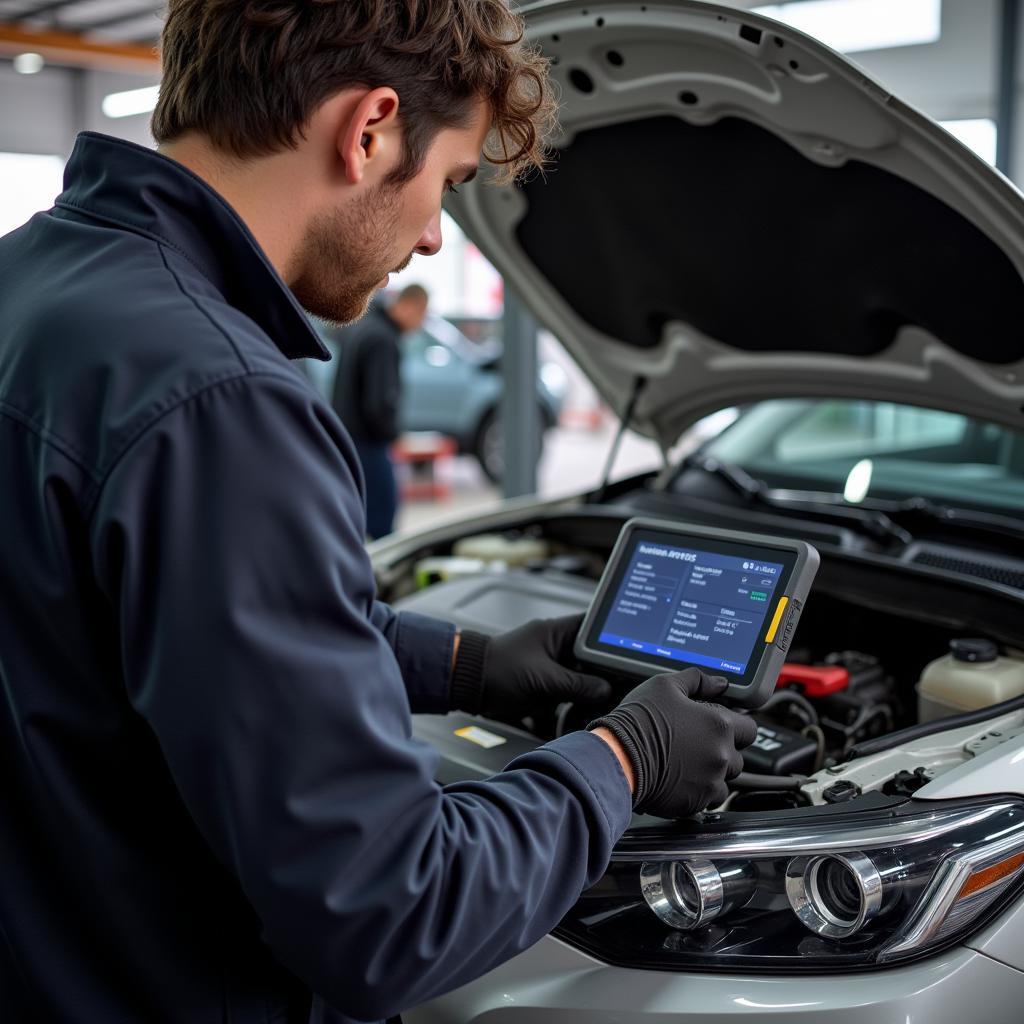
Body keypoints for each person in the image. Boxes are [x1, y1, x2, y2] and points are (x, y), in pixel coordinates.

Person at [0, 3, 756, 1023]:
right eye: (444, 183)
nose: (435, 234)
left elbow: (134, 633)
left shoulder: (37, 286)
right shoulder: (223, 402)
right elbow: (391, 914)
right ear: (369, 130)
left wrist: (464, 668)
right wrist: (623, 759)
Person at [331, 284, 428, 538]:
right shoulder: (383, 340)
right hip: (370, 445)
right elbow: (380, 403)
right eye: (422, 314)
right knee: (383, 525)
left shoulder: (362, 327)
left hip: (347, 439)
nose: (421, 324)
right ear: (409, 306)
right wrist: (394, 435)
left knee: (354, 522)